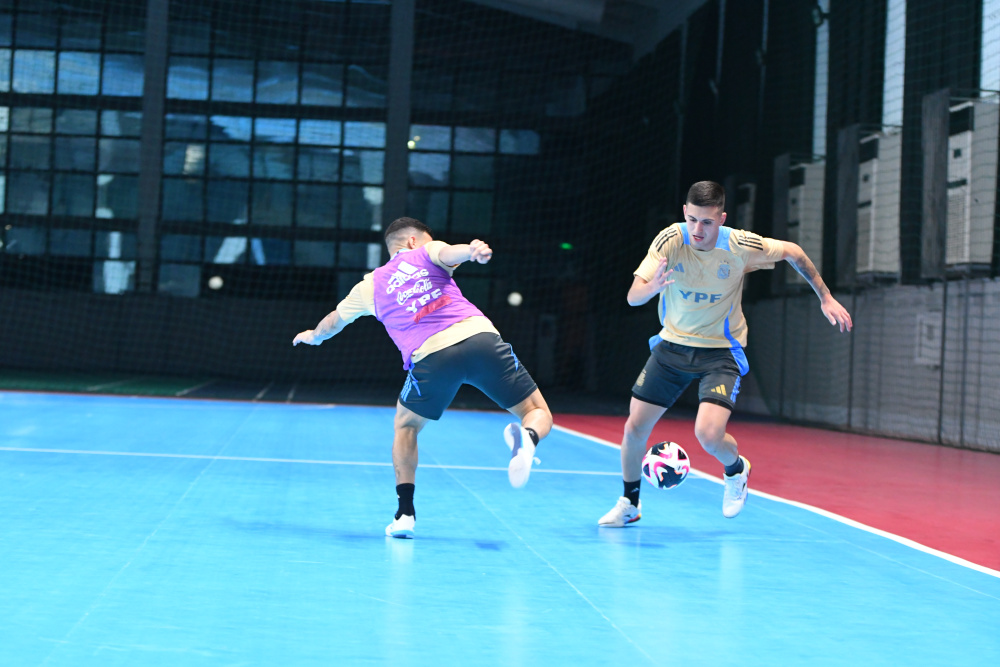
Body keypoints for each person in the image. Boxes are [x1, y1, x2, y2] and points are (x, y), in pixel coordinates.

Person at [598, 181, 852, 527]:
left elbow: (793, 251)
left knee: (708, 434)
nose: (698, 230)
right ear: (684, 214)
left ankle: (736, 470)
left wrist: (825, 297)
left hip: (720, 353)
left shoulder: (740, 245)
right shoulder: (671, 240)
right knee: (634, 429)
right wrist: (651, 288)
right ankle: (630, 503)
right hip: (672, 347)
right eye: (692, 220)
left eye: (707, 222)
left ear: (722, 219)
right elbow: (632, 297)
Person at [294, 217, 552, 539]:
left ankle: (405, 514)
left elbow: (333, 322)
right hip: (480, 339)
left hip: (432, 357)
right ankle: (527, 438)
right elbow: (448, 253)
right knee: (537, 411)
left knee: (406, 426)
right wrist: (471, 251)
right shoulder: (426, 252)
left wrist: (313, 336)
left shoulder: (369, 287)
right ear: (414, 242)